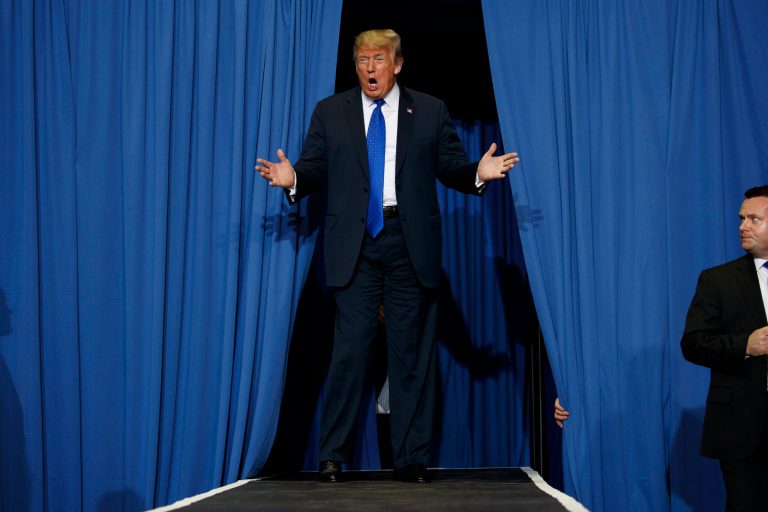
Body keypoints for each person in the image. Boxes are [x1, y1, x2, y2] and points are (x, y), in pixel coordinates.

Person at [255, 29, 519, 483]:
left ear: (397, 64)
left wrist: (477, 173)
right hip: (355, 244)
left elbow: (450, 166)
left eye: (378, 59)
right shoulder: (330, 111)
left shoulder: (430, 110)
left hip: (407, 241)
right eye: (362, 60)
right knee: (349, 354)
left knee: (410, 355)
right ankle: (332, 455)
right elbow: (314, 167)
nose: (369, 68)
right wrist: (293, 178)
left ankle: (411, 458)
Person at [681, 185, 768, 512]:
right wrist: (745, 345)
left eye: (754, 219)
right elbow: (693, 343)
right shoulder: (718, 279)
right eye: (742, 218)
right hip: (743, 428)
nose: (743, 226)